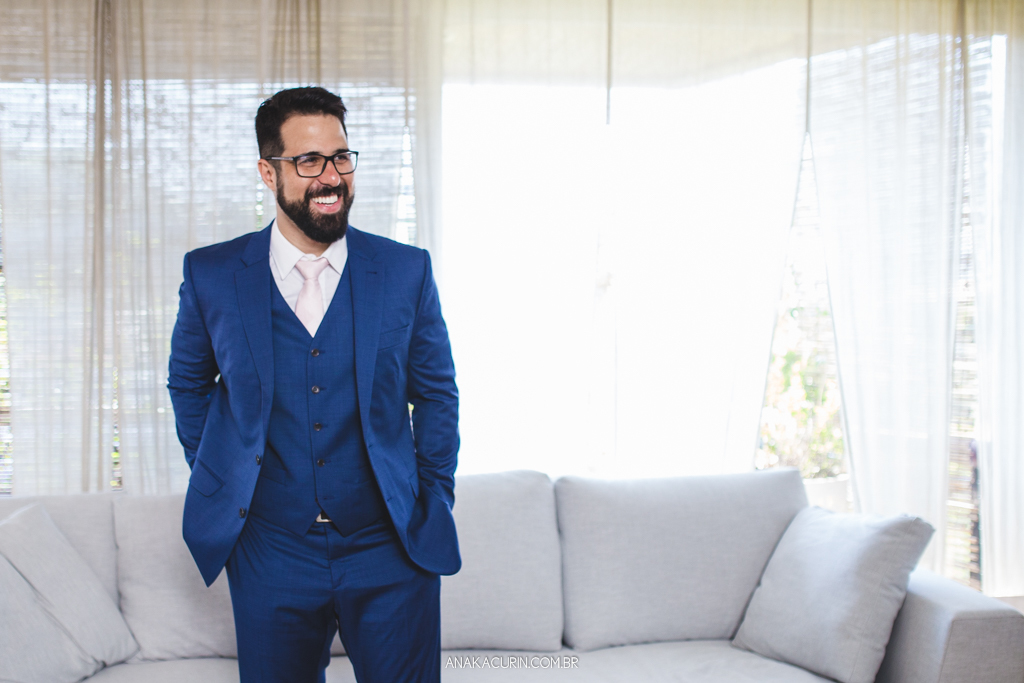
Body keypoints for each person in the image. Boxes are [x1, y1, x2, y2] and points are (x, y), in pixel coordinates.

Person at [167, 86, 460, 683]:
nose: (330, 177)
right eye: (308, 161)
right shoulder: (213, 275)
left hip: (390, 546)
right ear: (267, 172)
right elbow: (188, 383)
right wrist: (224, 471)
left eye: (341, 158)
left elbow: (435, 394)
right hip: (270, 548)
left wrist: (433, 495)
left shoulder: (406, 270)